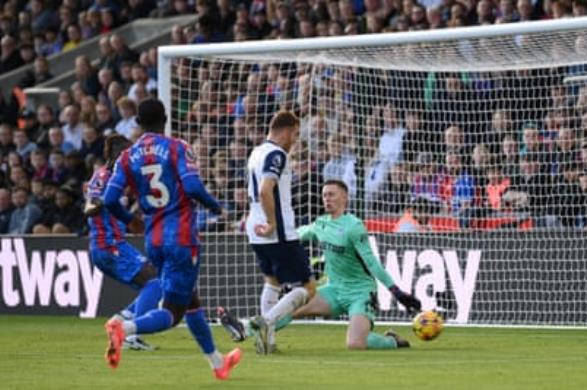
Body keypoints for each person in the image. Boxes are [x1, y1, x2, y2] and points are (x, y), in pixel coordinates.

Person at [103, 98, 241, 380]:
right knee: (172, 313)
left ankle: (217, 363)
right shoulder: (177, 147)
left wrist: (132, 221)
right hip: (181, 238)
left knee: (190, 299)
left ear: (138, 124)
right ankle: (125, 328)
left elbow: (109, 199)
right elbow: (192, 186)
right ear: (165, 119)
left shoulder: (128, 156)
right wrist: (216, 207)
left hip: (153, 240)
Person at [286, 180, 420, 349]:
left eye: (331, 194)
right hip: (334, 291)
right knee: (289, 308)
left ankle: (392, 341)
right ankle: (252, 332)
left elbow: (371, 263)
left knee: (355, 343)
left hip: (360, 292)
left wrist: (397, 292)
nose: (327, 199)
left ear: (344, 197)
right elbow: (298, 233)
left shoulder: (354, 226)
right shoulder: (321, 224)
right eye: (324, 195)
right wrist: (277, 236)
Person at [245, 110, 317, 355]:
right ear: (285, 131)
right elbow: (266, 189)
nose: (295, 140)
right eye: (295, 134)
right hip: (277, 231)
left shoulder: (256, 152)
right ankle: (265, 323)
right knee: (307, 288)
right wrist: (273, 222)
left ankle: (267, 342)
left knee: (273, 282)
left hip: (255, 230)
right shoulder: (277, 154)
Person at [84, 134, 160, 351]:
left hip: (110, 245)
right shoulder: (104, 177)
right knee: (155, 282)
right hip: (109, 246)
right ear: (119, 154)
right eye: (129, 153)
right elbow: (90, 208)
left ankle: (120, 320)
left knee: (155, 280)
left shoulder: (111, 175)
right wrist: (99, 204)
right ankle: (129, 335)